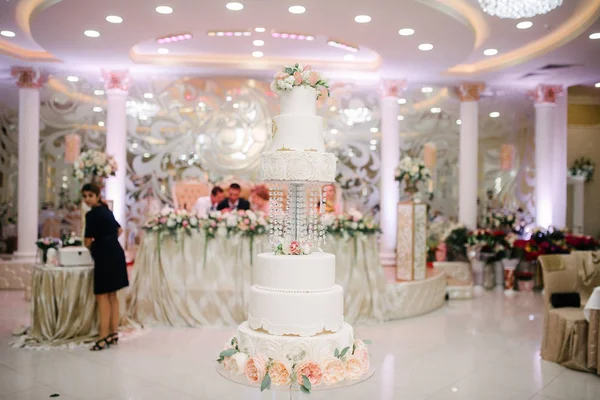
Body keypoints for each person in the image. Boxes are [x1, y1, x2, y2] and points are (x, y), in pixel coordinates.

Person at [82, 183, 129, 351]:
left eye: (90, 195)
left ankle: (102, 337)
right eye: (85, 196)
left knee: (102, 297)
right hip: (116, 252)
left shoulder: (92, 214)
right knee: (112, 295)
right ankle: (113, 333)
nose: (87, 199)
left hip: (104, 255)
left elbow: (87, 241)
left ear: (97, 195)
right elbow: (120, 230)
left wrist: (96, 245)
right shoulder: (106, 211)